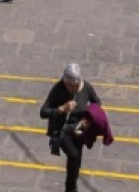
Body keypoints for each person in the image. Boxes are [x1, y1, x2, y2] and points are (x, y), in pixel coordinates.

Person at [40, 63, 102, 192]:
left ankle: (71, 187)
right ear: (65, 82)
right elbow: (43, 112)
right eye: (71, 85)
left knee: (76, 161)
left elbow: (97, 102)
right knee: (73, 155)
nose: (74, 88)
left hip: (79, 127)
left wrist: (88, 119)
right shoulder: (58, 89)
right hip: (62, 129)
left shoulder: (85, 87)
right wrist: (61, 109)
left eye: (76, 85)